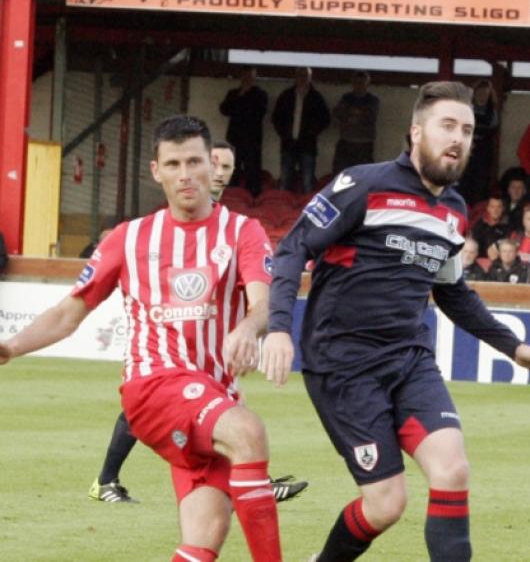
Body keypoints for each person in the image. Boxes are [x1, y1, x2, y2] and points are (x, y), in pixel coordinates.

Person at [261, 81, 530, 562]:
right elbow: (292, 249)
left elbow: (451, 293)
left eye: (467, 130)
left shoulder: (453, 212)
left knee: (452, 470)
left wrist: (514, 348)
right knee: (386, 505)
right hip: (343, 365)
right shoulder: (363, 184)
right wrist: (279, 327)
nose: (458, 139)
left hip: (409, 360)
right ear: (415, 132)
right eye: (447, 126)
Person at [0, 115, 284, 561]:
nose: (185, 174)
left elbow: (265, 303)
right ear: (156, 171)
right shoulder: (129, 238)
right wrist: (12, 346)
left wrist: (250, 327)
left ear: (212, 165)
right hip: (154, 384)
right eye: (173, 164)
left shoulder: (242, 232)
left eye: (194, 162)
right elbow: (68, 312)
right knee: (248, 431)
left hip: (214, 392)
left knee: (206, 534)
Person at [88, 137, 308, 505]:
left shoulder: (232, 225)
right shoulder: (172, 220)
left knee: (225, 399)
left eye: (227, 168)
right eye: (216, 164)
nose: (220, 173)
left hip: (208, 341)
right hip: (172, 334)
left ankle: (252, 476)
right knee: (155, 406)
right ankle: (107, 479)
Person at [272, 67, 331, 193]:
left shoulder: (316, 97)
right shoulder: (286, 95)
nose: (302, 78)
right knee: (285, 180)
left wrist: (312, 133)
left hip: (308, 145)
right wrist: (283, 133)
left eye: (305, 76)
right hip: (288, 144)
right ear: (295, 77)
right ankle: (282, 209)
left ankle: (308, 210)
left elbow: (325, 119)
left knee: (307, 181)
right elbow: (276, 117)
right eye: (300, 75)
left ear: (310, 78)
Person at [219, 67, 269, 197]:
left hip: (252, 139)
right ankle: (233, 196)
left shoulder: (260, 94)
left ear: (254, 79)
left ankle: (252, 197)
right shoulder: (234, 93)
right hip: (235, 138)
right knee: (233, 168)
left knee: (251, 169)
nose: (248, 79)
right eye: (245, 76)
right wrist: (241, 95)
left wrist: (244, 99)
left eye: (251, 77)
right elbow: (224, 109)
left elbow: (259, 112)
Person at [457, 80, 499, 206]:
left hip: (484, 154)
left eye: (485, 94)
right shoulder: (466, 109)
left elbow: (492, 131)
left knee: (481, 186)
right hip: (465, 153)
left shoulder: (492, 112)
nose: (482, 97)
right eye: (479, 93)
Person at [332, 71, 380, 175]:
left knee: (363, 175)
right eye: (356, 82)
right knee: (341, 174)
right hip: (346, 142)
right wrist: (354, 115)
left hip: (364, 143)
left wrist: (352, 114)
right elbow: (337, 113)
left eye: (362, 83)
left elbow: (370, 116)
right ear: (352, 83)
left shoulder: (372, 100)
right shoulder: (346, 98)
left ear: (367, 84)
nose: (359, 86)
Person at [500, 167, 529, 232]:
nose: (516, 191)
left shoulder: (527, 208)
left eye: (519, 187)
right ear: (508, 190)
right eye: (513, 187)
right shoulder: (501, 205)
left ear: (524, 191)